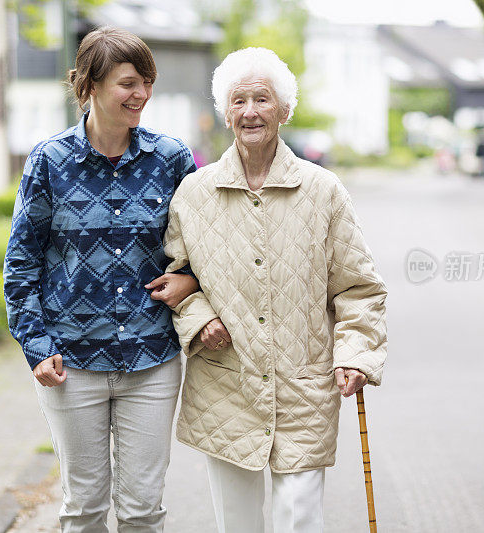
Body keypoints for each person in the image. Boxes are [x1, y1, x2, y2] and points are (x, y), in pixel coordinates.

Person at [162, 47, 388, 533]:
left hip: (303, 385)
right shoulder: (193, 194)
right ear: (225, 113)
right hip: (227, 384)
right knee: (237, 524)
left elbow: (359, 288)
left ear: (284, 110)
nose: (249, 112)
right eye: (238, 101)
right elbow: (173, 279)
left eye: (261, 99)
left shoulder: (323, 191)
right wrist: (200, 318)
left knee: (300, 519)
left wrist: (355, 353)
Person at [3, 27, 199, 533]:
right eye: (128, 83)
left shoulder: (171, 159)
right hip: (72, 363)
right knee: (84, 507)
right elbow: (21, 263)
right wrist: (36, 344)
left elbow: (208, 246)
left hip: (151, 360)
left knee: (142, 511)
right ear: (89, 86)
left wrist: (192, 282)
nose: (142, 95)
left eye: (147, 82)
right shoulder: (49, 162)